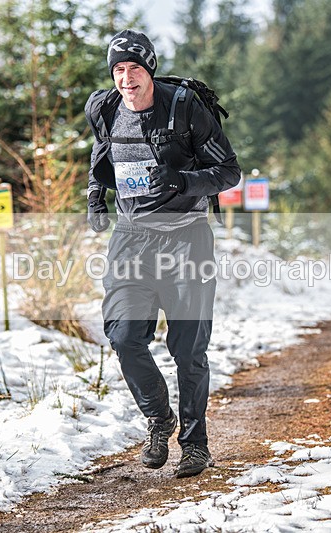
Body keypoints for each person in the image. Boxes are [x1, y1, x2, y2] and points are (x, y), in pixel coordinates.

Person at [84, 29, 240, 478]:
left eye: (134, 68)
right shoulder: (105, 107)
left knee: (188, 348)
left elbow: (229, 171)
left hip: (186, 235)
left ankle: (195, 445)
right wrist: (96, 195)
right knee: (123, 334)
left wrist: (185, 182)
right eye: (118, 69)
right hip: (132, 237)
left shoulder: (184, 107)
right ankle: (159, 418)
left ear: (149, 69)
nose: (126, 78)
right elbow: (102, 154)